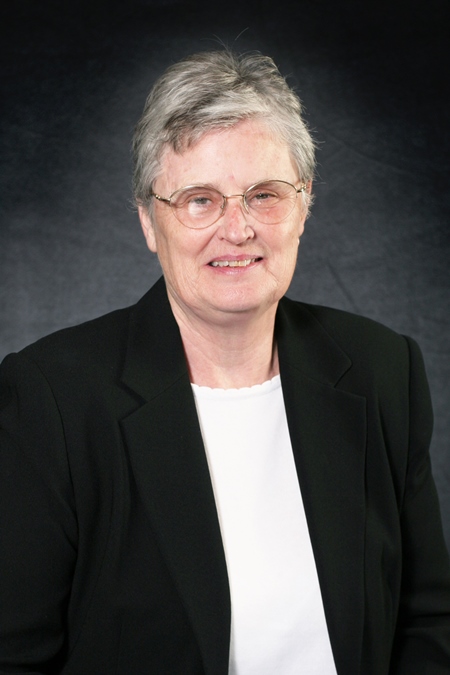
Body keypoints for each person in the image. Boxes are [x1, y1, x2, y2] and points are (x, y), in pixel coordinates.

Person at [1, 50, 450, 675]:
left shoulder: (381, 370)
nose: (237, 229)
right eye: (199, 200)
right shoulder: (51, 399)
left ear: (303, 205)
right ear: (149, 222)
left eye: (263, 195)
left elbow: (429, 619)